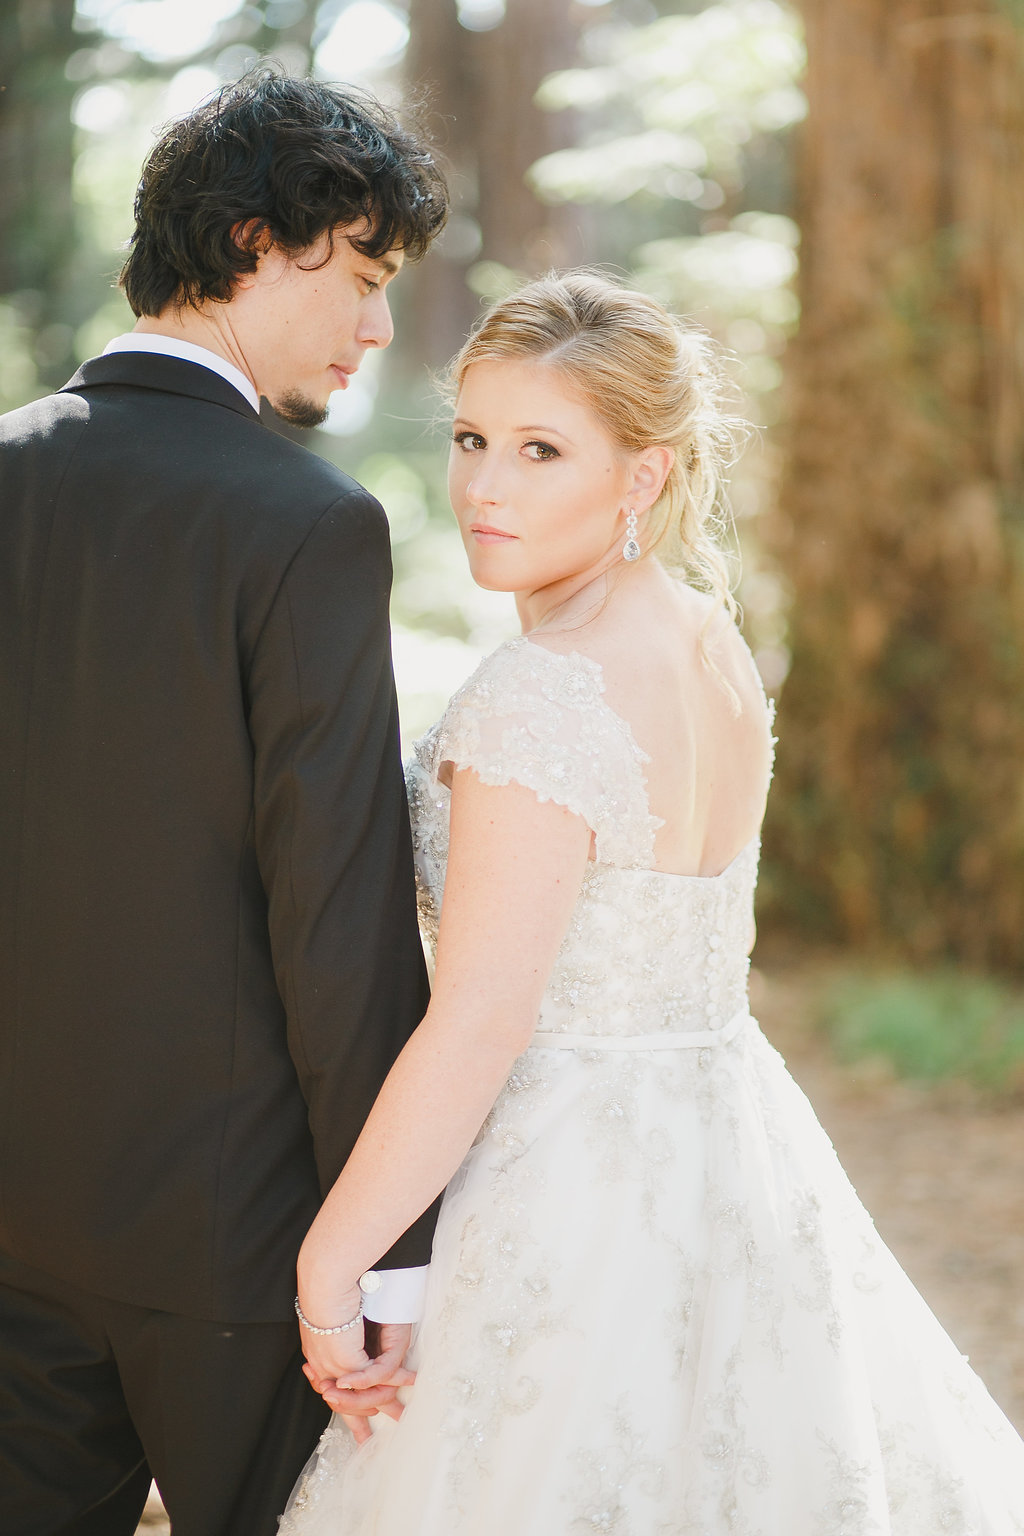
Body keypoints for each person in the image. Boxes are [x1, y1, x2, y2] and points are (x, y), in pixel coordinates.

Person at [278, 271, 1024, 1533]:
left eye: (539, 450)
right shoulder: (707, 644)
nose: (485, 488)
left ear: (643, 477)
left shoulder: (541, 691)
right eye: (471, 440)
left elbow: (479, 1023)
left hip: (563, 1188)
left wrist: (328, 1262)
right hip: (728, 1142)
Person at [0, 69, 447, 1535]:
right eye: (364, 276)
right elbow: (341, 923)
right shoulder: (306, 522)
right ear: (257, 243)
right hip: (234, 1246)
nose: (377, 326)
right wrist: (389, 1258)